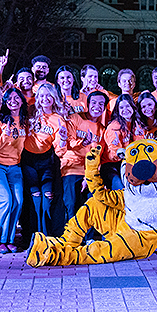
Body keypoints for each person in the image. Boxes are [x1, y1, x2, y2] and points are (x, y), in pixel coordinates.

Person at [54, 91, 106, 234]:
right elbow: (68, 143)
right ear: (87, 104)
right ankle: (70, 235)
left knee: (90, 203)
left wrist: (88, 176)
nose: (97, 106)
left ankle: (88, 237)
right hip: (70, 167)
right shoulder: (75, 118)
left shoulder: (102, 130)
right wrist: (83, 142)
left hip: (89, 172)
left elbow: (99, 157)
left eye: (101, 104)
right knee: (70, 203)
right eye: (94, 102)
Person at [20, 83, 65, 243]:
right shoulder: (29, 113)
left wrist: (64, 138)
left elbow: (59, 148)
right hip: (27, 160)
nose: (45, 99)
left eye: (49, 96)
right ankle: (32, 236)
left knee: (47, 198)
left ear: (54, 99)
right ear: (37, 97)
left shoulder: (58, 119)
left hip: (46, 161)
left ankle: (46, 237)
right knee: (35, 197)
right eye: (41, 95)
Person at [0, 88, 28, 253]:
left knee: (18, 201)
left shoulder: (25, 120)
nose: (13, 101)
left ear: (22, 101)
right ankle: (0, 240)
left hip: (15, 166)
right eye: (9, 98)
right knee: (6, 200)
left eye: (17, 97)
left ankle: (9, 239)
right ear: (4, 101)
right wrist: (5, 135)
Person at [100, 94, 139, 190]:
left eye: (127, 106)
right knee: (121, 187)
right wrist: (120, 153)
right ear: (118, 110)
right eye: (121, 107)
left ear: (133, 107)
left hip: (129, 162)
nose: (125, 109)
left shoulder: (136, 123)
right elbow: (114, 151)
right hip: (111, 164)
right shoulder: (115, 126)